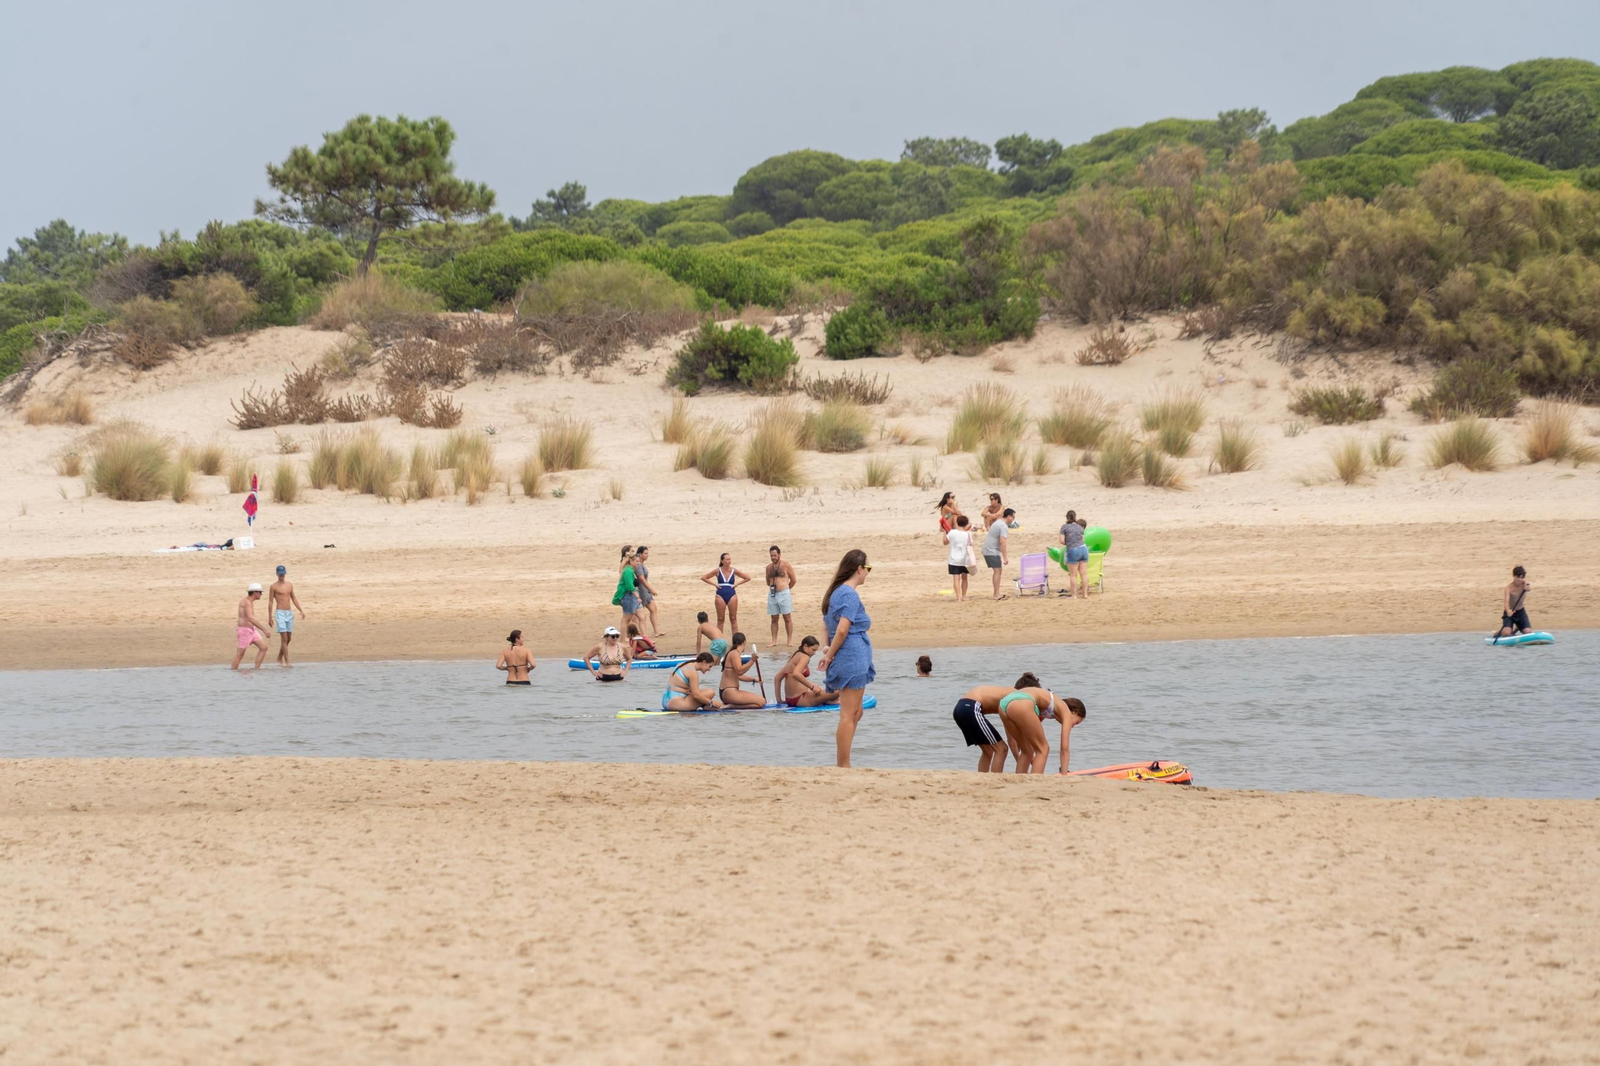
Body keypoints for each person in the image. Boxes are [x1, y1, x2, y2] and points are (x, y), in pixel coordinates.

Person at [817, 549, 875, 768]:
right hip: (851, 655)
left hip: (851, 655)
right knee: (848, 714)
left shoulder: (836, 593)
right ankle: (843, 765)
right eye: (867, 569)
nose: (868, 573)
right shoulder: (849, 594)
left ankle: (845, 760)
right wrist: (829, 656)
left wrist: (826, 649)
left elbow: (825, 624)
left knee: (856, 712)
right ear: (859, 569)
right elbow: (841, 630)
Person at [998, 671, 1087, 774]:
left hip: (1004, 704)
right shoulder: (1065, 711)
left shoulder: (1049, 704)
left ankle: (1019, 781)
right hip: (1023, 702)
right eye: (1076, 722)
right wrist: (1064, 774)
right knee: (1043, 749)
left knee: (1027, 750)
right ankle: (1036, 781)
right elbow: (1064, 749)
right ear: (1074, 711)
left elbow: (1031, 727)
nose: (1073, 726)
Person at [951, 685, 1016, 772]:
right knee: (1001, 749)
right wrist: (1020, 759)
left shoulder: (1006, 693)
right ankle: (995, 779)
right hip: (971, 707)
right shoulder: (1015, 697)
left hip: (960, 708)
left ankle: (983, 777)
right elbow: (1012, 741)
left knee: (988, 751)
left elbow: (1011, 736)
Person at [774, 637, 839, 707]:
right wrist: (812, 687)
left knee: (826, 692)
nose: (814, 653)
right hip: (801, 699)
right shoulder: (805, 657)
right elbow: (796, 673)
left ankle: (828, 700)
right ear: (805, 646)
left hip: (790, 700)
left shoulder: (794, 656)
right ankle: (830, 701)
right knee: (840, 691)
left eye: (815, 651)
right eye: (813, 650)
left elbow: (777, 678)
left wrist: (779, 700)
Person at [265, 564, 306, 666]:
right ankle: (287, 662)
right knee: (284, 638)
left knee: (289, 638)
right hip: (280, 613)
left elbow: (294, 598)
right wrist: (270, 617)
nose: (281, 576)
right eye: (280, 574)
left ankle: (279, 657)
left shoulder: (289, 585)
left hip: (289, 613)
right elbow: (270, 602)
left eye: (283, 574)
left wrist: (300, 610)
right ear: (277, 574)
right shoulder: (273, 586)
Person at [701, 552, 751, 633]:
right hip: (720, 595)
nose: (729, 561)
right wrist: (715, 585)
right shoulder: (718, 571)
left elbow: (747, 577)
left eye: (730, 559)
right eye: (727, 559)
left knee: (733, 618)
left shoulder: (733, 571)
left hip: (732, 595)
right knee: (720, 619)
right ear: (722, 561)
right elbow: (704, 577)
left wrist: (737, 584)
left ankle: (736, 641)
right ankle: (720, 640)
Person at [718, 631, 766, 708]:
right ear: (744, 643)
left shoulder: (732, 653)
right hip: (729, 692)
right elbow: (740, 671)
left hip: (727, 692)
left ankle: (732, 705)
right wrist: (752, 660)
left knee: (760, 703)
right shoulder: (735, 653)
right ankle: (732, 706)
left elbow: (738, 676)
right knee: (762, 702)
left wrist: (754, 679)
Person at [230, 583, 271, 670]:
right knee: (240, 655)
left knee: (263, 648)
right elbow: (250, 618)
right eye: (260, 592)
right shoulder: (247, 602)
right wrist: (264, 630)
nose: (261, 594)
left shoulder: (249, 601)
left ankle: (256, 669)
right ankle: (233, 672)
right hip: (245, 631)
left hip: (252, 630)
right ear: (254, 592)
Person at [765, 545, 798, 647]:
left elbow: (793, 580)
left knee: (787, 617)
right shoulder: (768, 567)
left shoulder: (786, 565)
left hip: (784, 593)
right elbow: (767, 581)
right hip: (773, 593)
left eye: (775, 555)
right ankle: (774, 640)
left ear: (779, 554)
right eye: (771, 556)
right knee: (774, 618)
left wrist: (787, 588)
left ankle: (790, 640)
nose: (773, 557)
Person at [981, 507, 1014, 600]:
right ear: (1008, 516)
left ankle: (997, 593)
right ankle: (996, 594)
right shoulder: (1003, 526)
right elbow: (1002, 542)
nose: (1013, 520)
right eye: (1013, 517)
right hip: (991, 550)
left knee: (998, 571)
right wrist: (1005, 557)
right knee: (997, 571)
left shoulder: (998, 522)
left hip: (989, 549)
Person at [634, 545, 665, 638]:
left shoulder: (642, 564)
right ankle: (635, 632)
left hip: (646, 590)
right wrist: (651, 589)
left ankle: (657, 631)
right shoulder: (638, 565)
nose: (648, 555)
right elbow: (641, 579)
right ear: (640, 554)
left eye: (648, 553)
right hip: (642, 590)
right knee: (637, 614)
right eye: (646, 553)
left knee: (653, 609)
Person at [943, 514, 975, 600]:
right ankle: (964, 596)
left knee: (956, 579)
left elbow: (945, 542)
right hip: (964, 559)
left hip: (953, 559)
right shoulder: (967, 534)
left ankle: (958, 597)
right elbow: (971, 544)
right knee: (964, 578)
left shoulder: (952, 532)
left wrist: (944, 532)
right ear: (966, 524)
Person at [1058, 510, 1089, 599]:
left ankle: (1074, 595)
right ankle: (1085, 594)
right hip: (1083, 549)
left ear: (1067, 517)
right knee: (1084, 574)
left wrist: (1070, 542)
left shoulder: (1064, 527)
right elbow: (1082, 539)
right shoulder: (1079, 527)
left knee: (1073, 575)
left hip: (1073, 550)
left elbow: (1062, 541)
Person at [613, 548, 645, 635]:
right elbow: (629, 586)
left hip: (634, 595)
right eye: (637, 561)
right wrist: (637, 596)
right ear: (631, 561)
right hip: (629, 596)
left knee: (642, 617)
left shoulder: (630, 569)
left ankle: (644, 638)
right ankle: (624, 640)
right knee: (626, 619)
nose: (638, 563)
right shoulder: (628, 570)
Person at [1498, 565, 1533, 637]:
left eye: (1522, 577)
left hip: (1521, 612)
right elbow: (1506, 602)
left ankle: (1518, 627)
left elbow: (1528, 588)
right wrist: (1508, 611)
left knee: (1528, 632)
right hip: (1510, 613)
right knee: (1506, 633)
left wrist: (1527, 586)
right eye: (1518, 577)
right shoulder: (1508, 588)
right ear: (1514, 576)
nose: (1520, 579)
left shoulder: (1524, 584)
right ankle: (1499, 632)